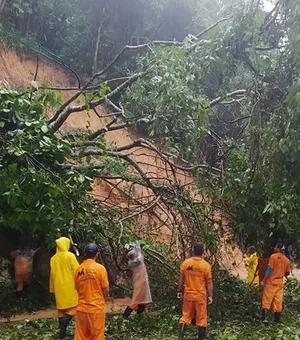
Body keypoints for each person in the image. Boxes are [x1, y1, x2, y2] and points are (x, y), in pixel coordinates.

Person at [177, 243, 213, 340]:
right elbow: (209, 282)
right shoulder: (206, 266)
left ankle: (180, 338)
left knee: (185, 317)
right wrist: (210, 296)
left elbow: (181, 279)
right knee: (202, 319)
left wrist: (179, 291)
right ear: (203, 252)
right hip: (200, 296)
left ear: (193, 250)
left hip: (188, 295)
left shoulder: (186, 263)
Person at [74, 243, 109, 340]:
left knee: (81, 337)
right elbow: (105, 289)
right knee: (97, 336)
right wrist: (102, 300)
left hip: (81, 309)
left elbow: (78, 289)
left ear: (85, 254)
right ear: (97, 254)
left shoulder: (78, 270)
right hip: (96, 309)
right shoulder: (100, 269)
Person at [49, 237, 79, 339]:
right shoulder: (70, 256)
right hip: (70, 286)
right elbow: (77, 271)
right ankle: (63, 328)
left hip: (58, 286)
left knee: (61, 309)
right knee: (75, 307)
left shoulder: (53, 258)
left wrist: (52, 288)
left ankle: (62, 334)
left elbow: (52, 274)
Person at [261, 242, 291, 322]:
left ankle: (265, 319)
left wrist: (264, 280)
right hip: (280, 283)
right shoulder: (286, 259)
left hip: (271, 282)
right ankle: (277, 320)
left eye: (275, 247)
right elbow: (287, 272)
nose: (274, 248)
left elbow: (269, 269)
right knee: (278, 301)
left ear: (278, 249)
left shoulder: (273, 257)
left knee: (267, 300)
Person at [122, 245, 152, 318]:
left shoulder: (131, 262)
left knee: (143, 301)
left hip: (141, 282)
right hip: (141, 283)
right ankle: (124, 316)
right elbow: (139, 252)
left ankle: (139, 316)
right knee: (137, 301)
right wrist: (136, 246)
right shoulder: (137, 261)